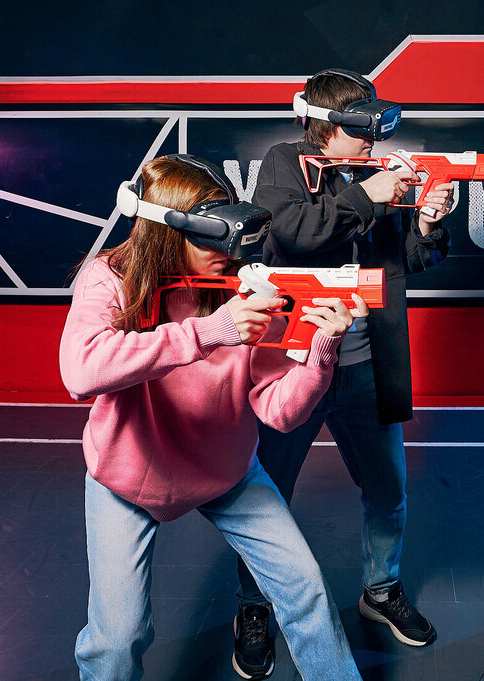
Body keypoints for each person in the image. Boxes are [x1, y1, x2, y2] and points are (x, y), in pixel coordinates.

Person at [59, 154, 368, 681]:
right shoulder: (109, 277)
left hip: (227, 472)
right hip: (127, 476)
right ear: (166, 233)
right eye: (211, 239)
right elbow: (80, 372)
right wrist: (210, 332)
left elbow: (280, 412)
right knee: (116, 640)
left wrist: (322, 349)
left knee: (307, 589)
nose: (227, 252)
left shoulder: (251, 292)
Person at [232, 68, 454, 677]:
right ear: (325, 126)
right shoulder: (284, 162)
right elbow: (290, 234)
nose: (371, 139)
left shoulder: (375, 171)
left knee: (387, 491)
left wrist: (428, 222)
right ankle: (254, 605)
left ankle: (381, 590)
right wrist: (368, 196)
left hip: (365, 366)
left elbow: (408, 260)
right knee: (264, 496)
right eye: (361, 128)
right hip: (296, 365)